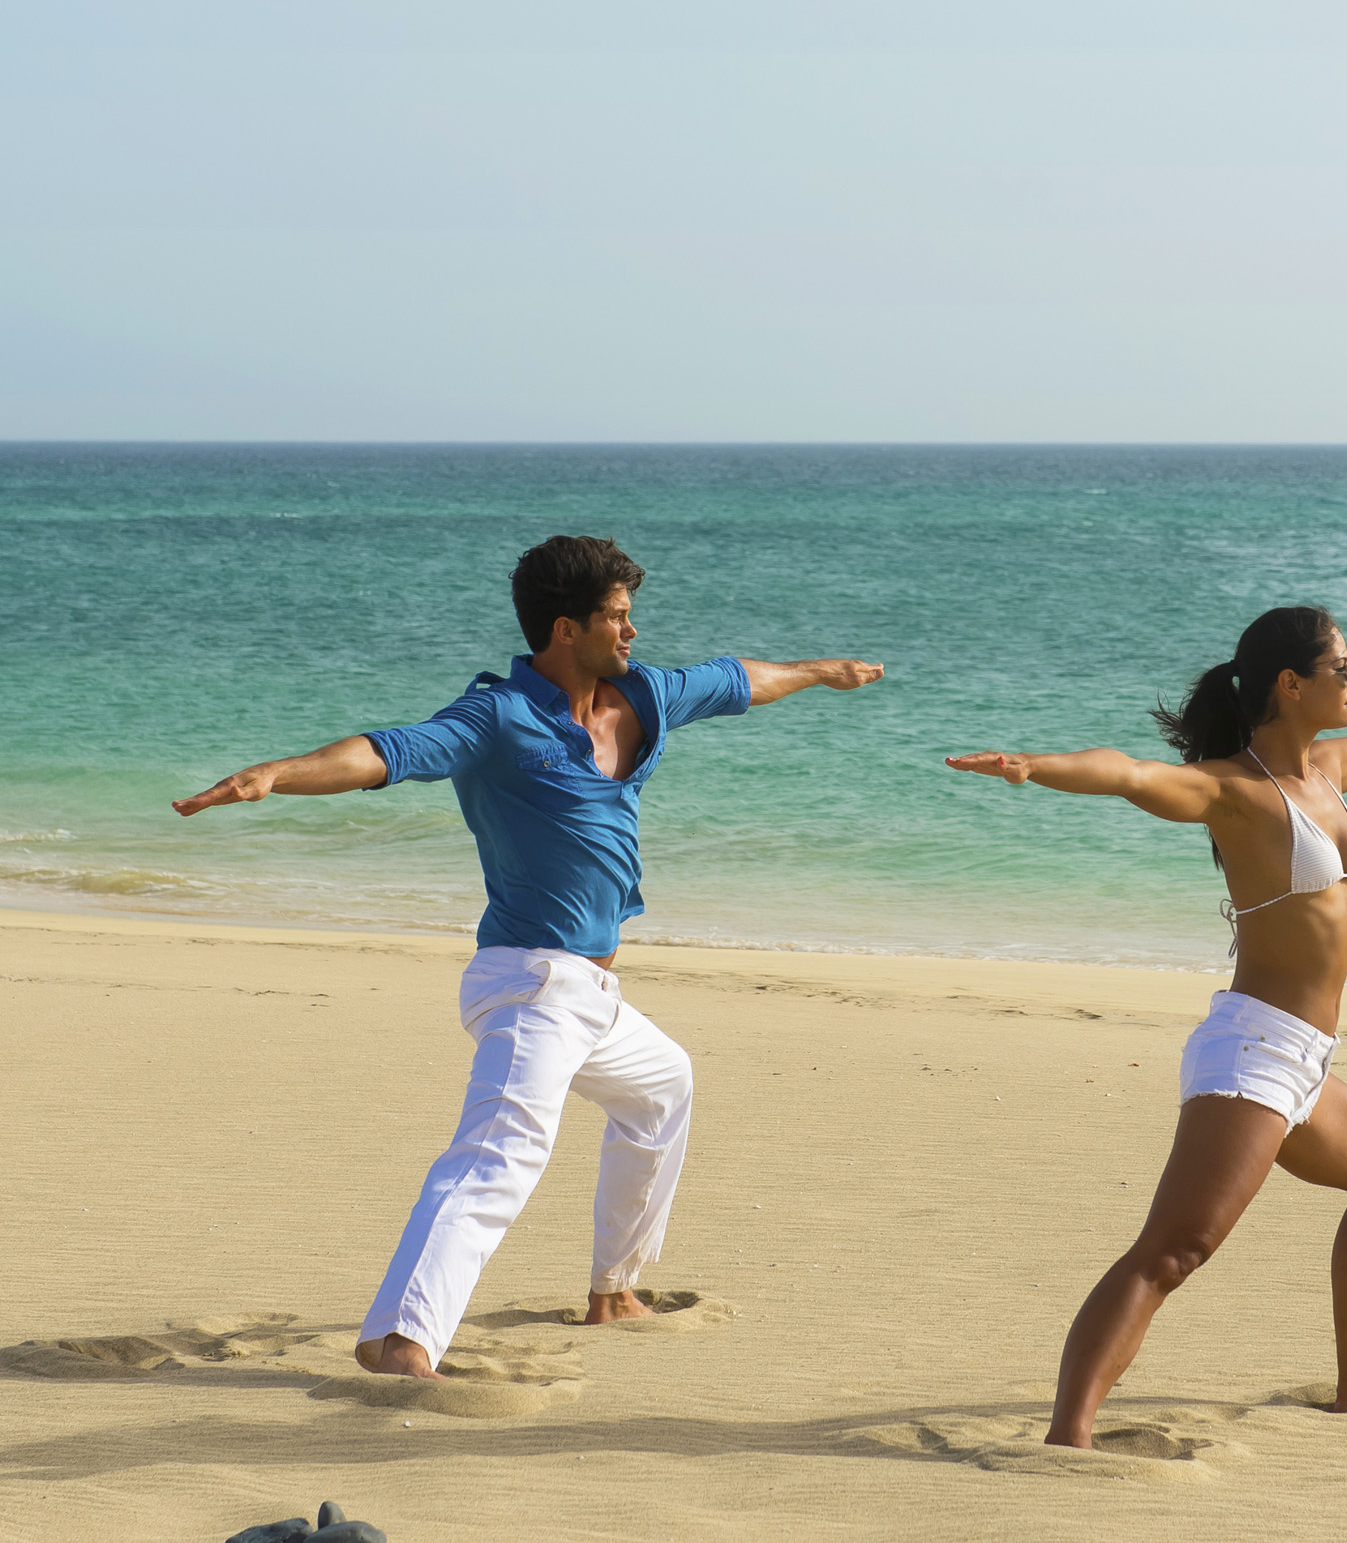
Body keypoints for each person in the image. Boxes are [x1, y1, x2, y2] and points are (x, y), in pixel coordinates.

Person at [175, 533, 882, 1380]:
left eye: (629, 614)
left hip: (593, 993)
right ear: (563, 630)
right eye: (615, 617)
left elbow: (737, 677)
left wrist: (821, 670)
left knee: (662, 1087)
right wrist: (278, 774)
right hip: (531, 982)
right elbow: (388, 751)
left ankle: (615, 1290)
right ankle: (401, 1339)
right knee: (500, 1152)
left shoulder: (643, 694)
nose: (631, 631)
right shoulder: (498, 718)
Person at [946, 607, 1347, 1445]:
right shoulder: (1234, 792)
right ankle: (1068, 1436)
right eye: (1344, 670)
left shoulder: (1329, 772)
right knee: (1176, 1249)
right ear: (1292, 684)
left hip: (1305, 1058)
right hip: (1253, 1049)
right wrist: (1036, 767)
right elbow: (1131, 774)